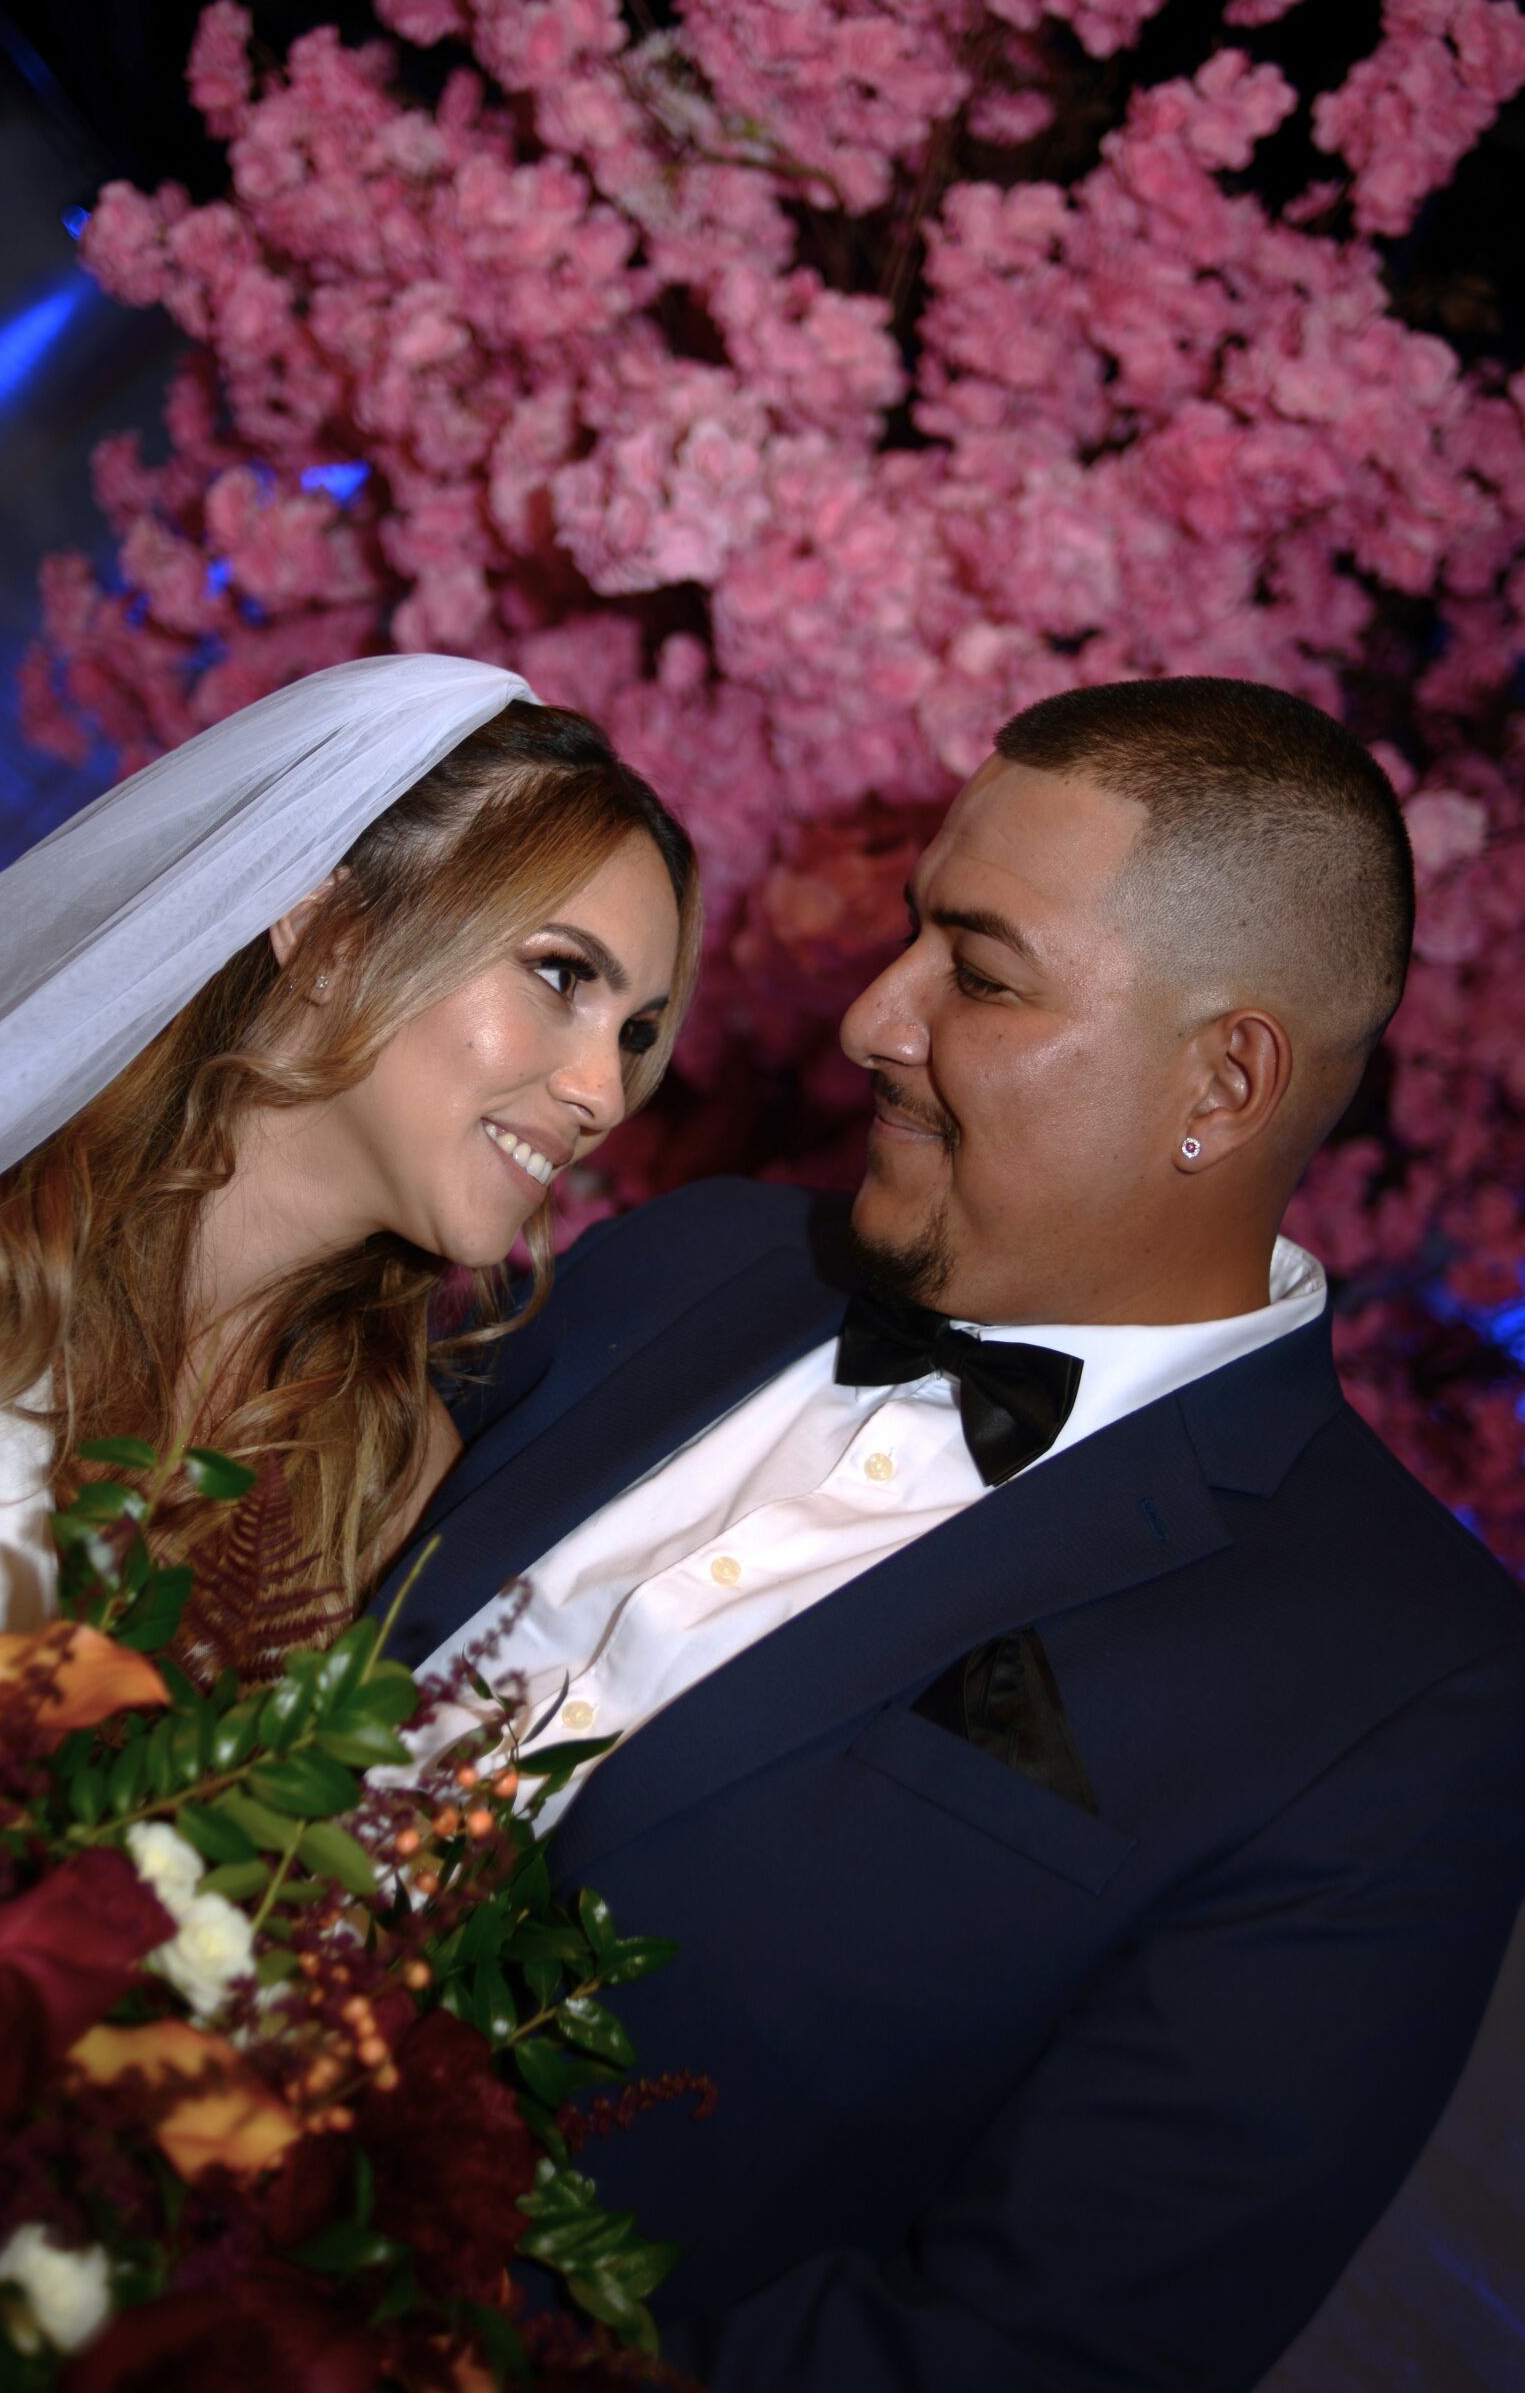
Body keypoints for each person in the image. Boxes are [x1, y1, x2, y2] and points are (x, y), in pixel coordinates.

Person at [380, 676, 1525, 2393]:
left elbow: (1032, 2347)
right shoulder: (690, 1255)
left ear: (1221, 1081)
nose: (865, 1016)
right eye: (911, 936)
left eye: (976, 976)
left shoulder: (1399, 1693)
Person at [0, 654, 697, 1673]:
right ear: (329, 932)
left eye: (634, 1036)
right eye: (558, 973)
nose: (602, 1092)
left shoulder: (385, 1477)